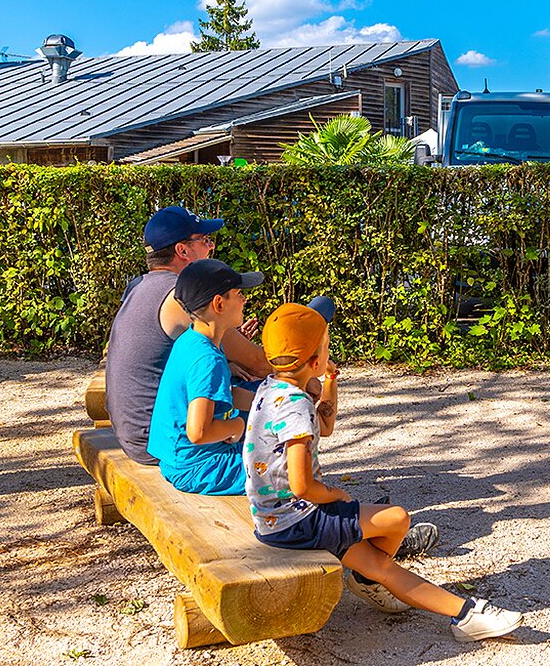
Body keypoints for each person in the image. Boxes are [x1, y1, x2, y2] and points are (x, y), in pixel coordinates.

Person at [245, 303, 524, 642]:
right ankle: (375, 584)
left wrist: (329, 379)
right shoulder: (296, 405)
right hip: (298, 519)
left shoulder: (272, 389)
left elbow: (325, 427)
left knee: (381, 565)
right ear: (315, 360)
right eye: (327, 346)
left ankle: (464, 614)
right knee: (396, 518)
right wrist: (336, 495)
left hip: (273, 520)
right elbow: (303, 486)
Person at [105, 206, 270, 466]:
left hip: (134, 432)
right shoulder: (180, 296)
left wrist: (229, 360)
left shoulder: (138, 286)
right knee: (274, 397)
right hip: (164, 443)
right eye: (204, 240)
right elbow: (259, 363)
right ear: (182, 251)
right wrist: (307, 371)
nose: (211, 247)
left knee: (242, 385)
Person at [147, 258, 265, 495]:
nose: (244, 299)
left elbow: (221, 394)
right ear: (219, 304)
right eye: (239, 294)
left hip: (176, 458)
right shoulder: (208, 359)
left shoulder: (193, 339)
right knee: (285, 471)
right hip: (198, 467)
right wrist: (237, 426)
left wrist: (265, 405)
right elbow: (199, 432)